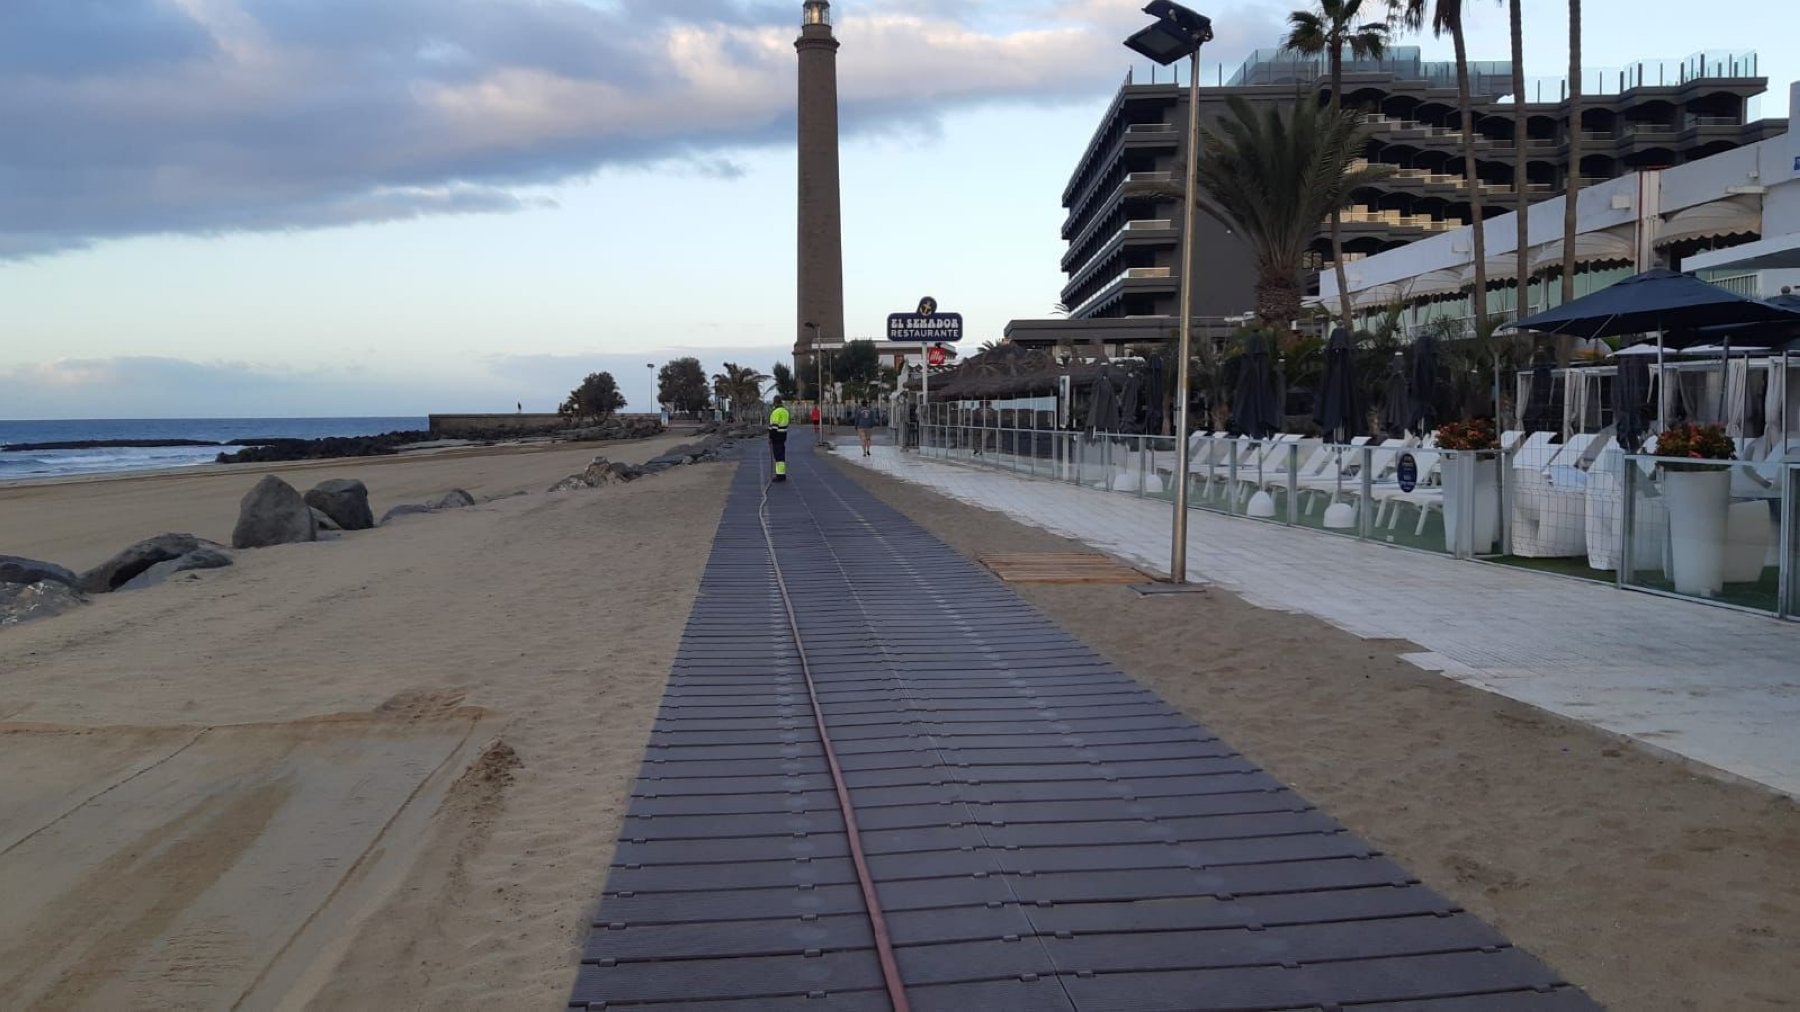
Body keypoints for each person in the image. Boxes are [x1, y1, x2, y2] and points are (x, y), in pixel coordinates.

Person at [768, 396, 790, 482]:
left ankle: (780, 476)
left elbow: (774, 427)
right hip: (783, 436)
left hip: (776, 436)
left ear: (775, 402)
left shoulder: (776, 412)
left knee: (778, 456)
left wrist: (770, 437)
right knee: (781, 455)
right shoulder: (785, 411)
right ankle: (781, 474)